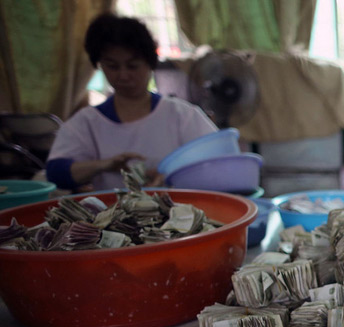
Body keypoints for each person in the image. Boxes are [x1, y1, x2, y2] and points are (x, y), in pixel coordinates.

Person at [47, 13, 217, 192]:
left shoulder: (182, 115)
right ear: (100, 65)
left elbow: (218, 163)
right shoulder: (87, 122)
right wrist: (104, 165)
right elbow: (56, 173)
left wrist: (171, 177)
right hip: (113, 216)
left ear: (150, 63)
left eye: (132, 65)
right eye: (112, 66)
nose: (123, 75)